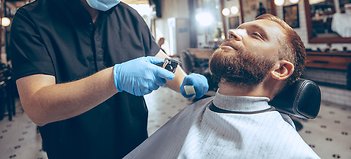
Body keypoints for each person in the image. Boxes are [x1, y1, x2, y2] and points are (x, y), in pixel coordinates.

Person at [10, 0, 208, 159]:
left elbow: (163, 62)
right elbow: (38, 108)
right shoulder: (33, 20)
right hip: (71, 152)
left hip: (135, 149)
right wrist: (115, 78)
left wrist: (185, 82)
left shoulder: (130, 17)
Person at [124, 14, 320, 159]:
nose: (233, 32)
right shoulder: (198, 109)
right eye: (238, 28)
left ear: (281, 69)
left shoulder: (289, 150)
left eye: (257, 35)